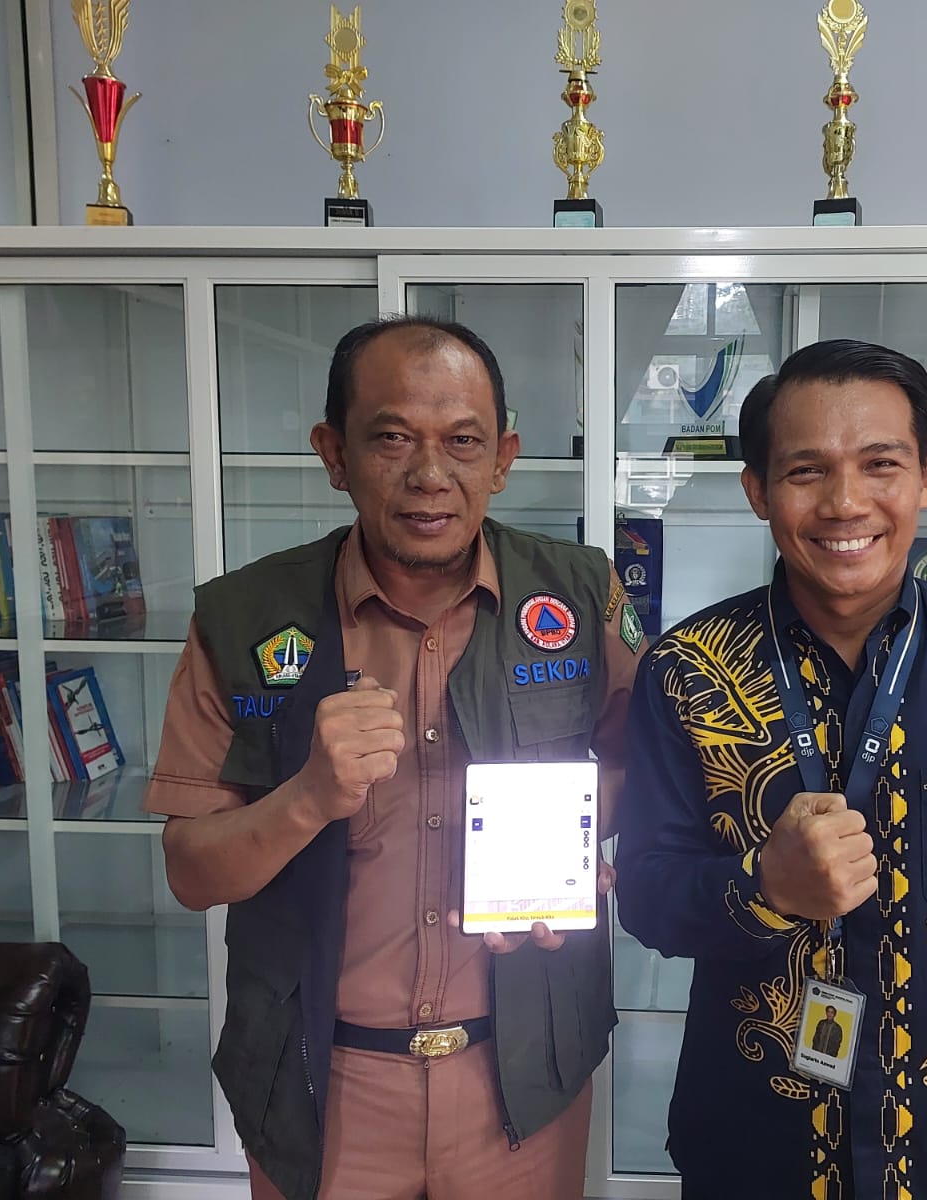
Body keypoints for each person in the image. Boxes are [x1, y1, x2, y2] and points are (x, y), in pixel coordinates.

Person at [145, 316, 644, 1200]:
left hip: (524, 1079)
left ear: (503, 458)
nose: (430, 475)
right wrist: (308, 795)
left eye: (463, 441)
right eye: (391, 439)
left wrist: (579, 846)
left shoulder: (578, 593)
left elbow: (647, 771)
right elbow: (190, 870)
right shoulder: (243, 618)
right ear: (334, 454)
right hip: (322, 1089)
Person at [617, 341, 927, 1199]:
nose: (845, 502)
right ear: (757, 490)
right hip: (753, 1152)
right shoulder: (688, 670)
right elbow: (647, 893)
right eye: (806, 470)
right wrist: (762, 887)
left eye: (880, 464)